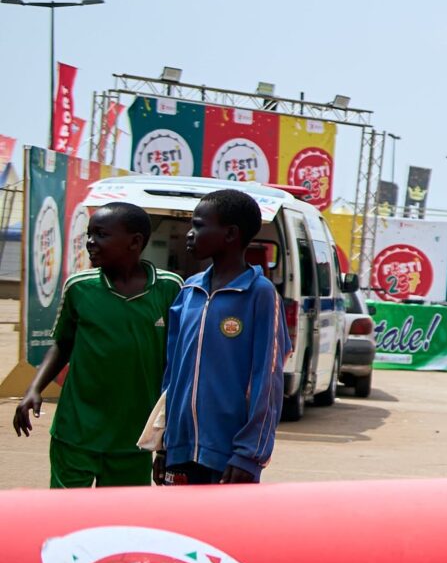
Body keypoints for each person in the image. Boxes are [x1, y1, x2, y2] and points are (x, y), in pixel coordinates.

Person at [13, 202, 182, 488]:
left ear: (135, 242)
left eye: (101, 235)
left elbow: (177, 363)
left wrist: (166, 442)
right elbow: (63, 344)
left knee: (120, 515)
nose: (90, 242)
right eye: (89, 235)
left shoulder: (170, 288)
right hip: (76, 431)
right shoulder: (79, 287)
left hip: (134, 438)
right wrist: (34, 389)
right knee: (67, 511)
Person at [155, 188, 286, 485]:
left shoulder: (260, 294)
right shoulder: (189, 290)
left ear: (230, 234)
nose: (190, 234)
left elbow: (268, 381)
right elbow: (172, 375)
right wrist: (163, 442)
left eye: (198, 226)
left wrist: (249, 454)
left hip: (229, 457)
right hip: (179, 449)